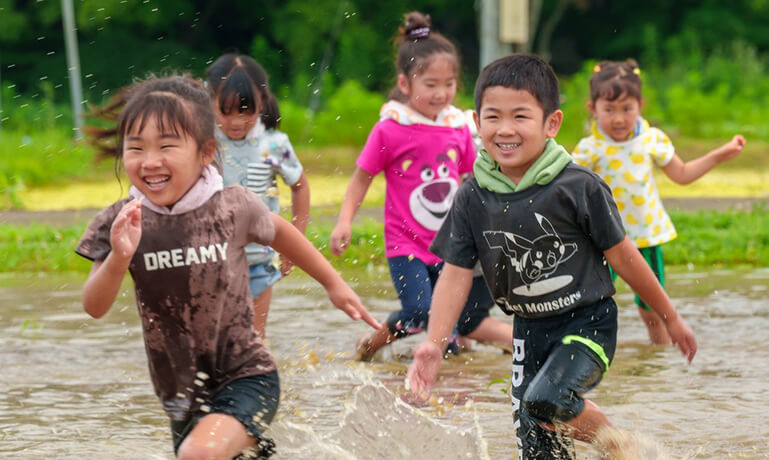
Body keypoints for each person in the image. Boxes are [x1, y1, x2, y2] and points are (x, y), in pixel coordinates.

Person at [407, 54, 697, 459]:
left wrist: (671, 316)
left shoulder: (578, 187)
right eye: (493, 117)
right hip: (528, 330)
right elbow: (455, 274)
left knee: (546, 400)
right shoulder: (472, 195)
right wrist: (435, 344)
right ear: (476, 122)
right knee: (536, 445)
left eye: (520, 117)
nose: (505, 129)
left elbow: (625, 257)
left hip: (588, 322)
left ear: (551, 123)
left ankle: (625, 449)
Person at [77, 75, 379, 460]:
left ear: (205, 153)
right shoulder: (123, 221)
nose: (150, 161)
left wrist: (333, 284)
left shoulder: (231, 206)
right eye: (136, 148)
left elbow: (282, 233)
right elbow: (94, 306)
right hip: (181, 395)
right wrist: (119, 257)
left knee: (198, 455)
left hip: (248, 375)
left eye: (167, 146)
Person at [329, 11, 512, 361]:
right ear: (405, 83)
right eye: (431, 84)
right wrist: (344, 220)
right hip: (405, 245)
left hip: (449, 246)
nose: (442, 93)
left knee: (449, 331)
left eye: (450, 83)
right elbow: (361, 179)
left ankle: (448, 390)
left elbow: (473, 178)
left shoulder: (457, 127)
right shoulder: (390, 129)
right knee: (418, 311)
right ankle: (371, 344)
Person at [572, 59, 745, 344]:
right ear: (593, 109)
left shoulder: (652, 140)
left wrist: (718, 155)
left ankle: (660, 360)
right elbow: (569, 189)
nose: (619, 119)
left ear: (641, 105)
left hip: (645, 237)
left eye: (627, 109)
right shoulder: (589, 149)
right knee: (590, 307)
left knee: (653, 311)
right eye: (609, 110)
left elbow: (683, 174)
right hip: (603, 240)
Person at [205, 53, 310, 338]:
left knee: (253, 339)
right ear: (210, 102)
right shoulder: (204, 142)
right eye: (226, 112)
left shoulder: (273, 144)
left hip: (259, 261)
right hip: (211, 260)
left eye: (246, 111)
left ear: (261, 102)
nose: (237, 122)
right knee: (215, 340)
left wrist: (295, 242)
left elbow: (300, 186)